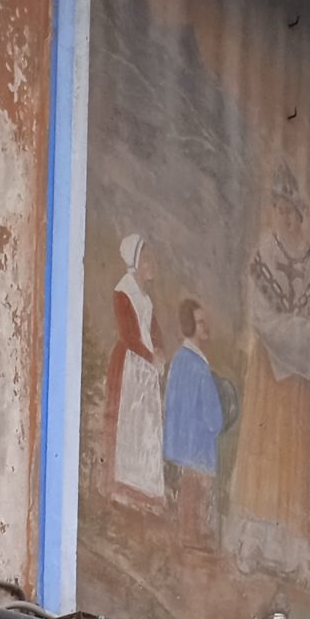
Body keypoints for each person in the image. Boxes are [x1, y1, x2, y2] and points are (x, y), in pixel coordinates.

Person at [229, 164, 310, 584]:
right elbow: (260, 316)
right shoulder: (264, 254)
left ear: (300, 213)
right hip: (271, 372)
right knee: (265, 450)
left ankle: (300, 555)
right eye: (279, 210)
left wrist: (303, 340)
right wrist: (294, 335)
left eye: (291, 211)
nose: (286, 218)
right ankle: (255, 544)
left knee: (299, 459)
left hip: (303, 378)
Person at [104, 233, 165, 506]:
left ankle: (143, 492)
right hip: (129, 365)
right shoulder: (124, 292)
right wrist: (150, 356)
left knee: (145, 430)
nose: (152, 264)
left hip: (145, 369)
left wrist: (159, 350)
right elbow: (129, 335)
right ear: (136, 261)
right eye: (147, 259)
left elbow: (153, 329)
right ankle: (121, 489)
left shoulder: (145, 298)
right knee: (128, 427)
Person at [162, 297, 224, 546]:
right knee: (197, 490)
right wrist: (216, 424)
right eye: (200, 323)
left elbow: (169, 401)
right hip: (198, 442)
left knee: (189, 489)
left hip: (182, 440)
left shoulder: (178, 359)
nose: (205, 327)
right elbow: (211, 412)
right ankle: (192, 535)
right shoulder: (198, 366)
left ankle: (190, 532)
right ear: (190, 326)